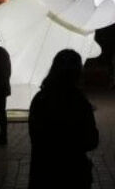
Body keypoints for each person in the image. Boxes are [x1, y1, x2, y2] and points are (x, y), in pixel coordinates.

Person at [28, 49, 98, 189]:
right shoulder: (79, 102)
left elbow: (35, 136)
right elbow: (91, 140)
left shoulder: (40, 99)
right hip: (73, 174)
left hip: (44, 173)